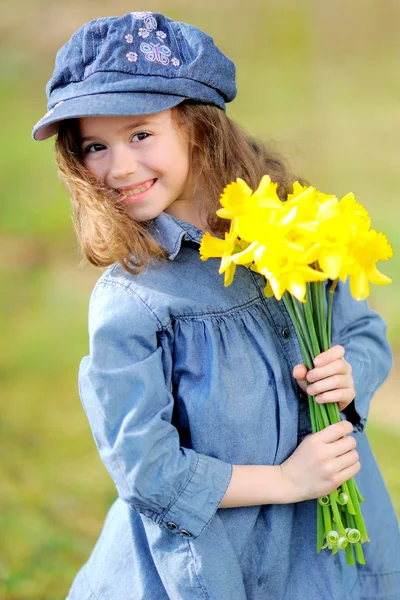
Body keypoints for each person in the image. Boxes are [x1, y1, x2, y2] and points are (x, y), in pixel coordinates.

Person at [32, 11, 400, 600]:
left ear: (196, 127)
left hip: (326, 555)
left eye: (140, 134)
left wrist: (350, 372)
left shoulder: (296, 229)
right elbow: (144, 468)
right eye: (95, 146)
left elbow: (363, 332)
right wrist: (284, 480)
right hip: (215, 562)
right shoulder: (134, 299)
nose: (118, 167)